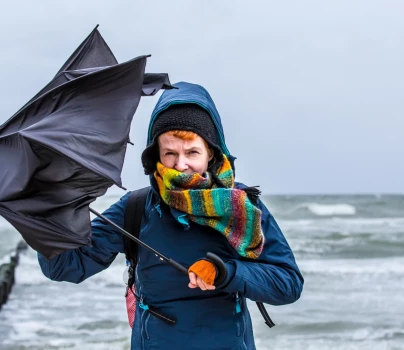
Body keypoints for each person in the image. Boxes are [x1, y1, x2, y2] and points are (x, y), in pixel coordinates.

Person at [38, 81, 303, 350]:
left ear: (210, 151)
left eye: (192, 152)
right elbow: (65, 267)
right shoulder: (136, 207)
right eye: (170, 153)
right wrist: (53, 211)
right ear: (156, 155)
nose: (180, 165)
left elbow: (287, 285)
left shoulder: (242, 206)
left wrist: (226, 272)